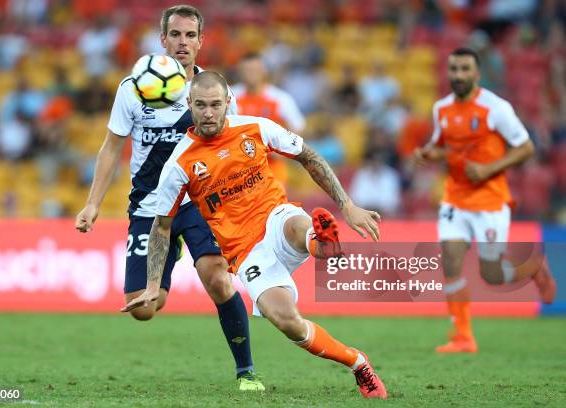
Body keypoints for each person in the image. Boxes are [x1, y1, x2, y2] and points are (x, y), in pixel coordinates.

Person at [123, 71, 388, 399]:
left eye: (216, 104)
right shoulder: (179, 165)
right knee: (288, 322)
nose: (209, 112)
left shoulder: (255, 127)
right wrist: (152, 285)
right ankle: (359, 363)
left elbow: (308, 155)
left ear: (227, 103)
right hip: (246, 252)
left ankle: (322, 243)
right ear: (189, 105)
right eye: (201, 105)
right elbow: (161, 226)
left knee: (295, 225)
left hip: (276, 217)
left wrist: (347, 206)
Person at [74, 5, 264, 391]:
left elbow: (231, 152)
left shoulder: (214, 93)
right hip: (148, 204)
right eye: (175, 35)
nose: (182, 42)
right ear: (162, 40)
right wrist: (92, 204)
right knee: (143, 308)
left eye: (190, 35)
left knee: (218, 280)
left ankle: (246, 372)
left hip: (199, 203)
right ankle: (169, 254)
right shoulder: (132, 88)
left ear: (200, 41)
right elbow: (111, 148)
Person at [414, 47, 556, 353]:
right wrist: (427, 153)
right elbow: (441, 145)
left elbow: (526, 147)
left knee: (491, 275)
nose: (458, 75)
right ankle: (463, 336)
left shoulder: (496, 108)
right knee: (450, 261)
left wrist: (489, 169)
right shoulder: (441, 109)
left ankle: (533, 268)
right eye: (453, 69)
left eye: (465, 69)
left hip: (490, 201)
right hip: (455, 199)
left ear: (477, 74)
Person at [232, 52, 306, 186]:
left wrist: (284, 149)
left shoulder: (280, 98)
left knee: (276, 206)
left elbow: (298, 126)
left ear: (264, 71)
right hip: (240, 168)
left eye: (254, 70)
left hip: (273, 168)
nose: (251, 74)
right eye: (247, 70)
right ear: (240, 72)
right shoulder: (231, 96)